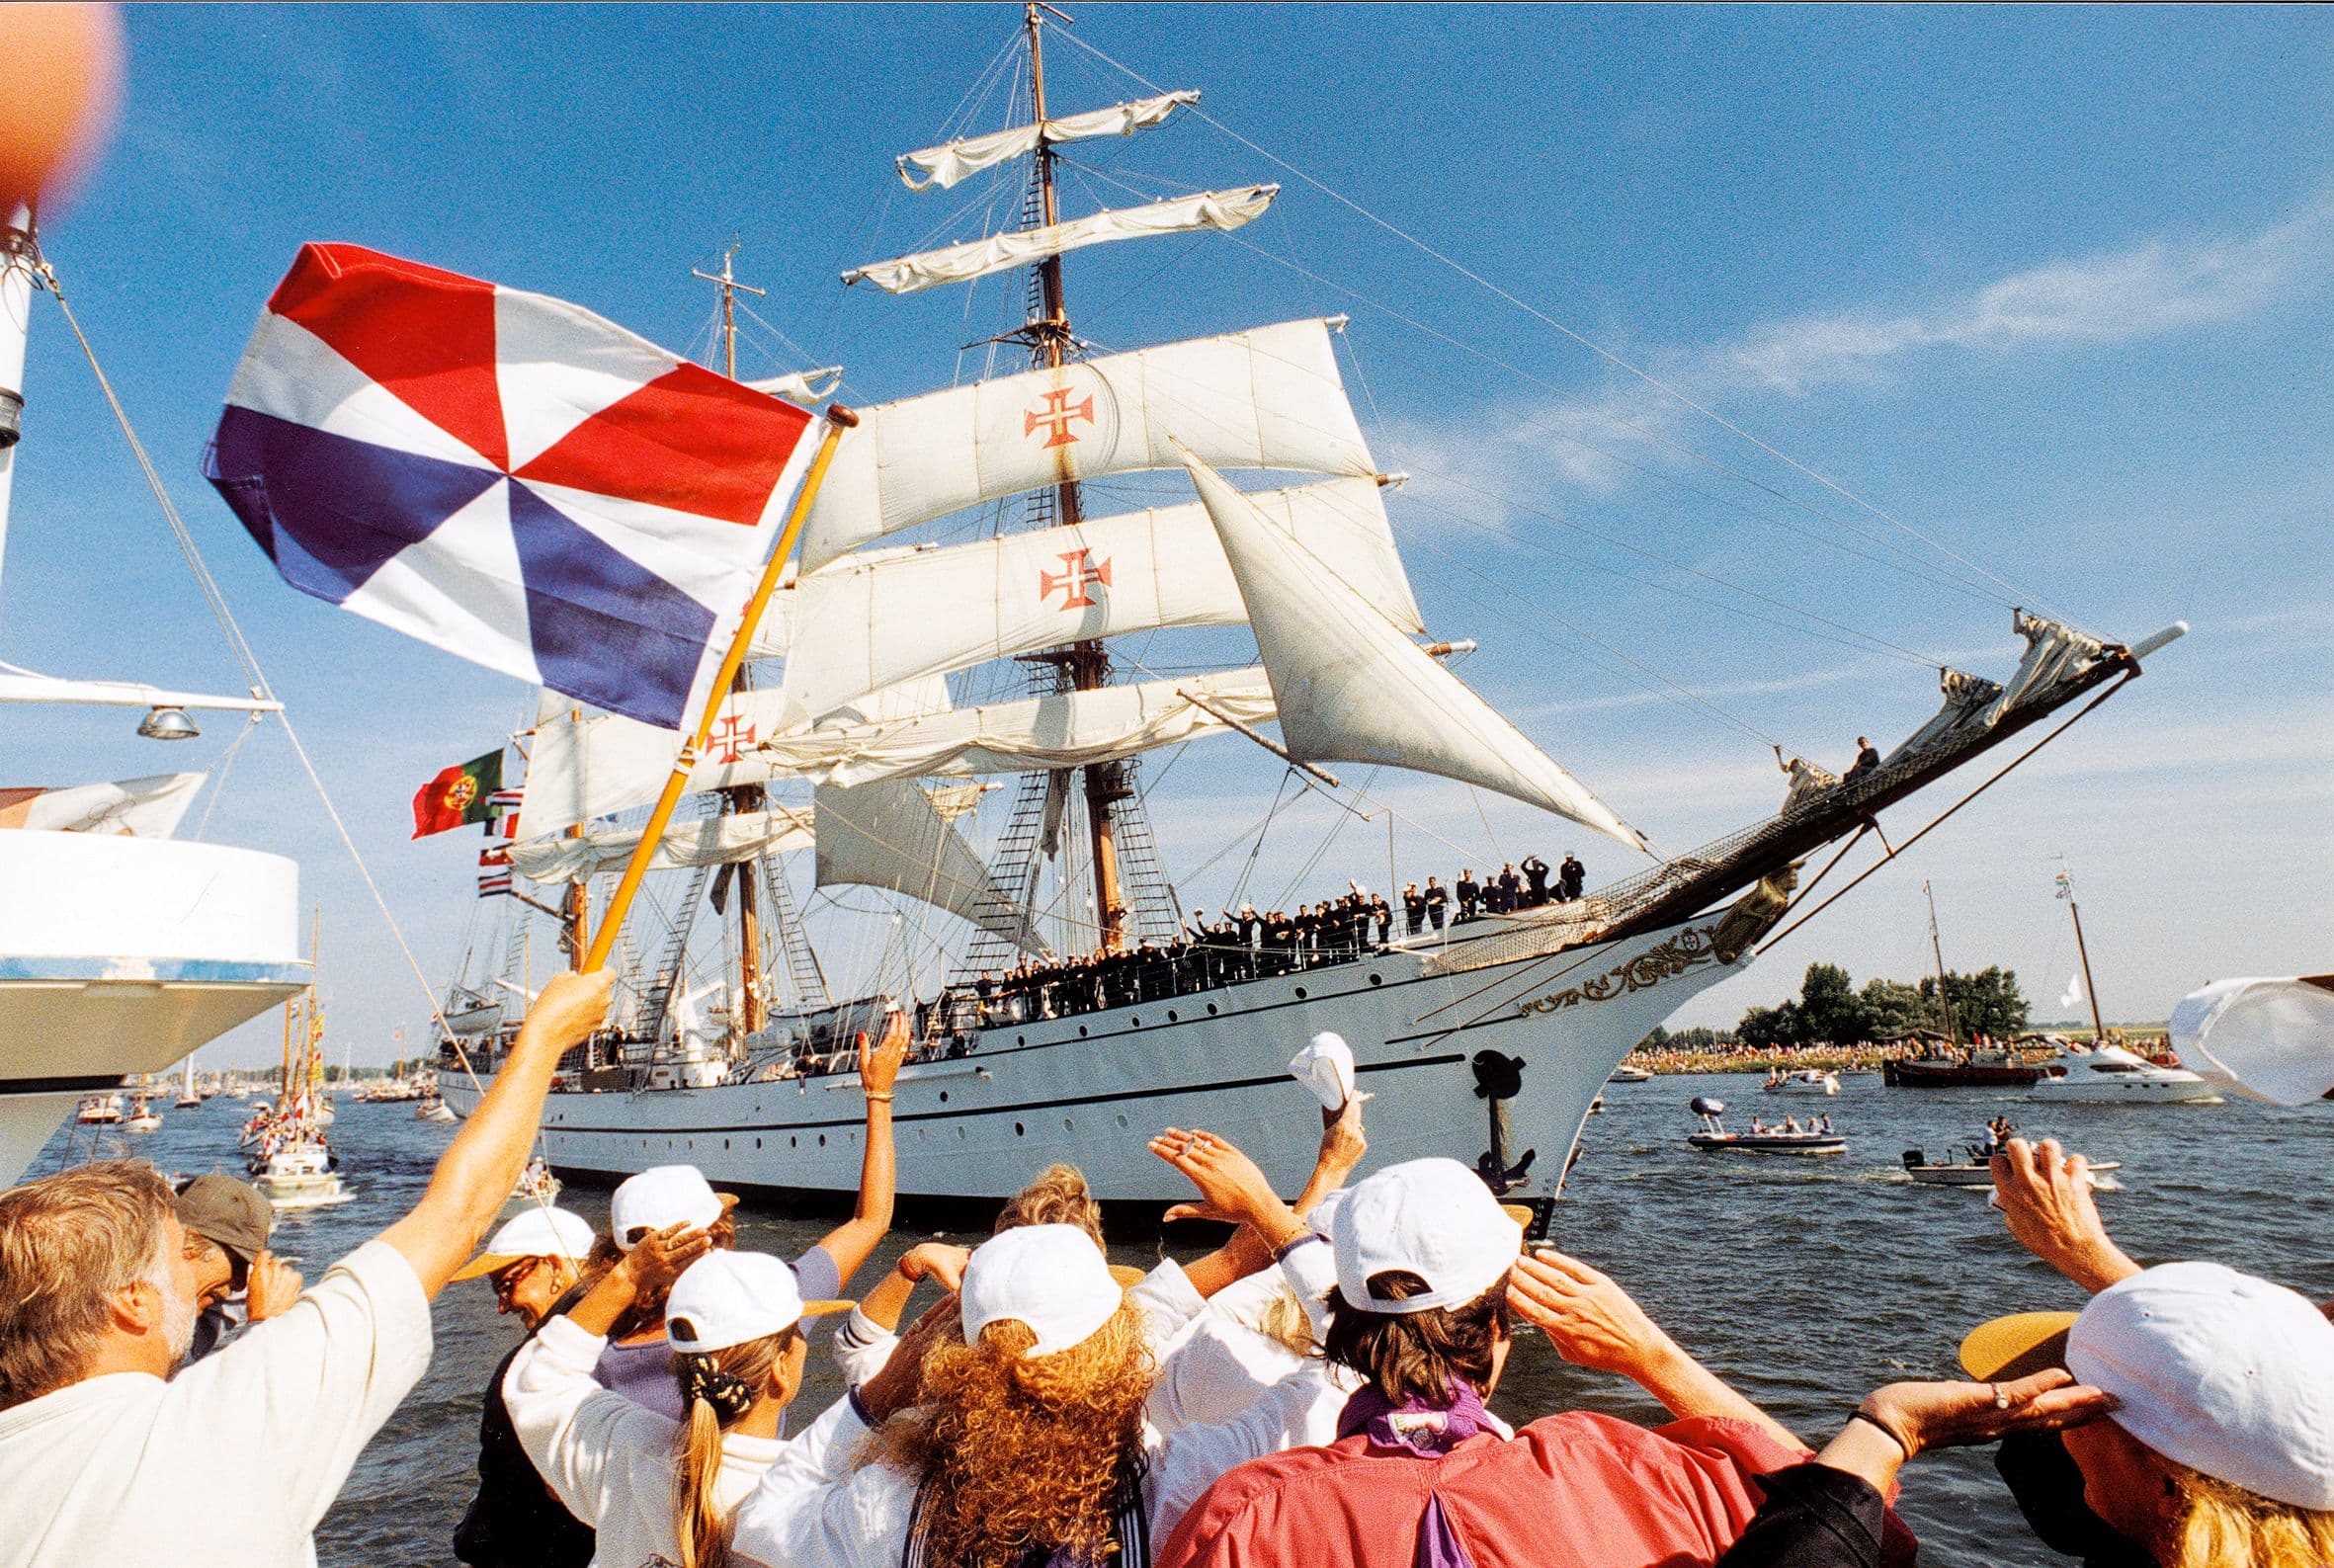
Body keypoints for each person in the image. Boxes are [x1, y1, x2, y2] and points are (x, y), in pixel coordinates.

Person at [0, 966, 614, 1568]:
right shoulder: (206, 1429)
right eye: (178, 1259)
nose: (204, 1285)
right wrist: (544, 1039)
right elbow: (454, 1217)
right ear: (131, 1299)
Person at [1153, 1157, 1812, 1568]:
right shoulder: (1608, 1469)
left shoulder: (1248, 1515)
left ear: (1344, 1322)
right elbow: (1851, 1515)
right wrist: (1651, 1354)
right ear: (1500, 1324)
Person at [594, 1014, 904, 1422]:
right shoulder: (766, 1300)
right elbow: (871, 1220)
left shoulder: (594, 1366)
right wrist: (878, 1095)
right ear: (716, 1237)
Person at [508, 1232, 853, 1568]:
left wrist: (629, 1276)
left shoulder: (627, 1451)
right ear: (781, 1369)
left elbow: (538, 1379)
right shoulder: (817, 1505)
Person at [452, 1205, 608, 1568]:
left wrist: (470, 1542)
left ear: (555, 1267)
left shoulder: (529, 1369)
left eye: (507, 1284)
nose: (502, 1307)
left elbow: (509, 1492)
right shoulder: (632, 1336)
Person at [172, 1173, 301, 1362]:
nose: (240, 1285)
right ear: (188, 1247)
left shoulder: (184, 1316)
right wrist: (262, 1325)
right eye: (237, 1264)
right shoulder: (127, 1326)